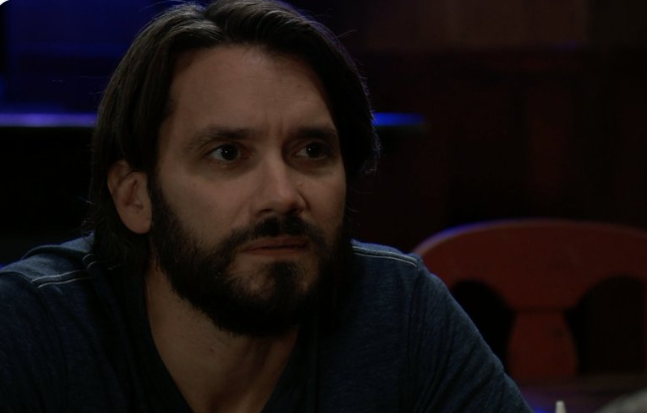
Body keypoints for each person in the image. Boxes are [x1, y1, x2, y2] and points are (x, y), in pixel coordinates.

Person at [0, 1, 534, 412]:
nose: (283, 195)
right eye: (227, 154)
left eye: (312, 151)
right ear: (135, 197)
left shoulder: (400, 310)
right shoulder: (30, 329)